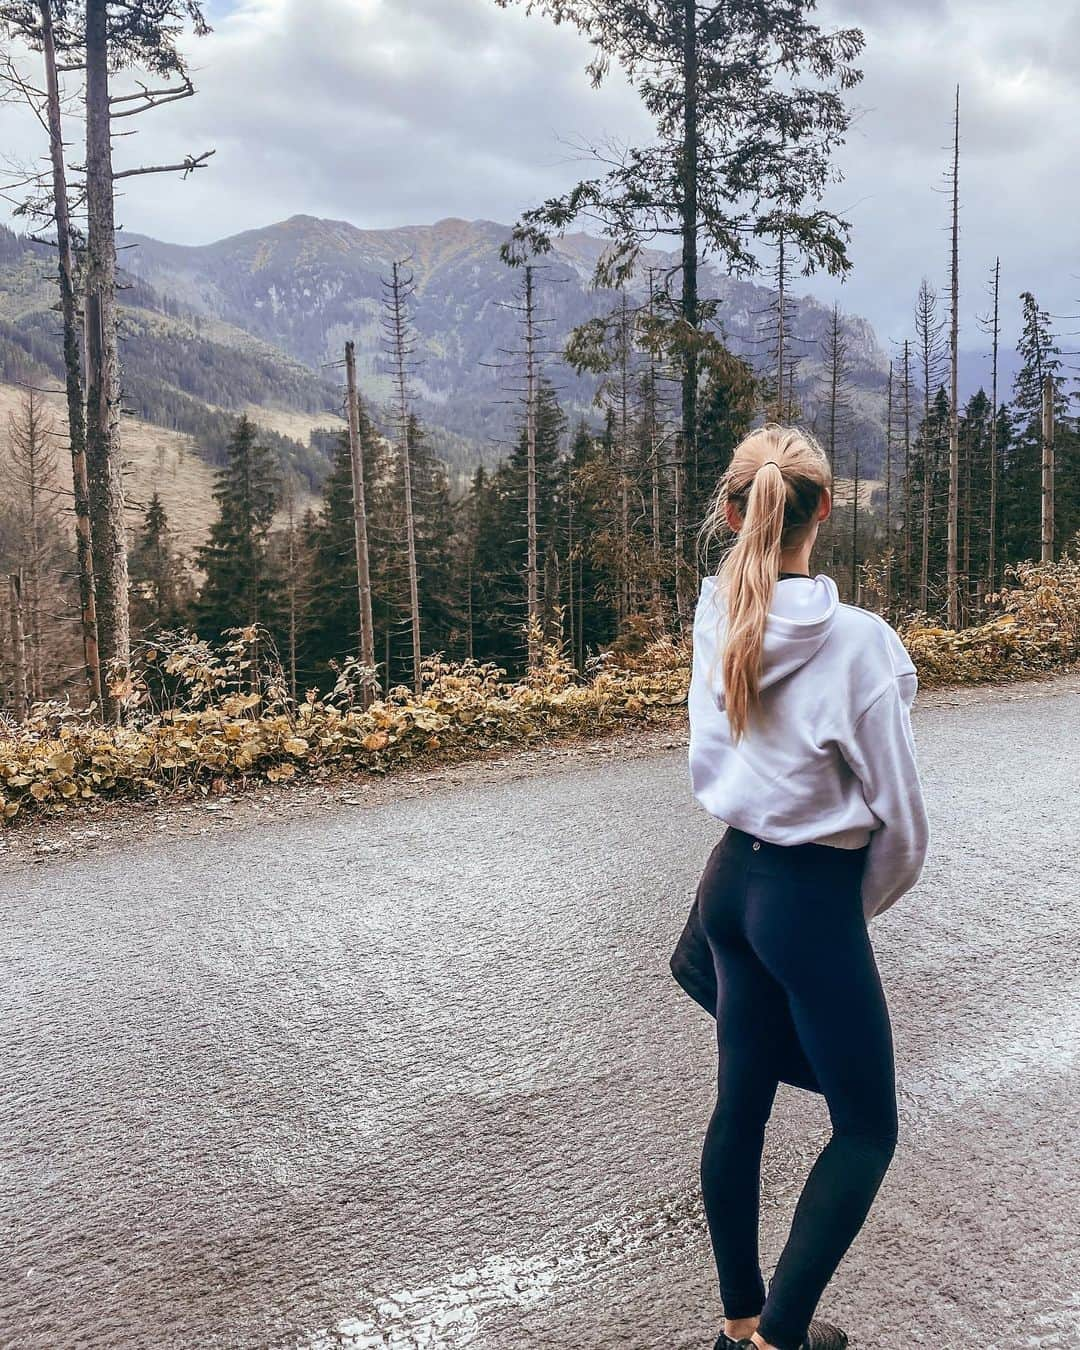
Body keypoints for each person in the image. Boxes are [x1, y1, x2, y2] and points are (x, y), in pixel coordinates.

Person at [675, 424, 930, 1350]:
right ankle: (782, 1340)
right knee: (865, 1129)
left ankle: (739, 1325)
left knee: (741, 1103)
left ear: (735, 512)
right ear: (824, 507)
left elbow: (711, 749)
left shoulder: (717, 611)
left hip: (727, 883)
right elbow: (899, 822)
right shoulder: (859, 645)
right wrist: (837, 917)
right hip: (805, 898)